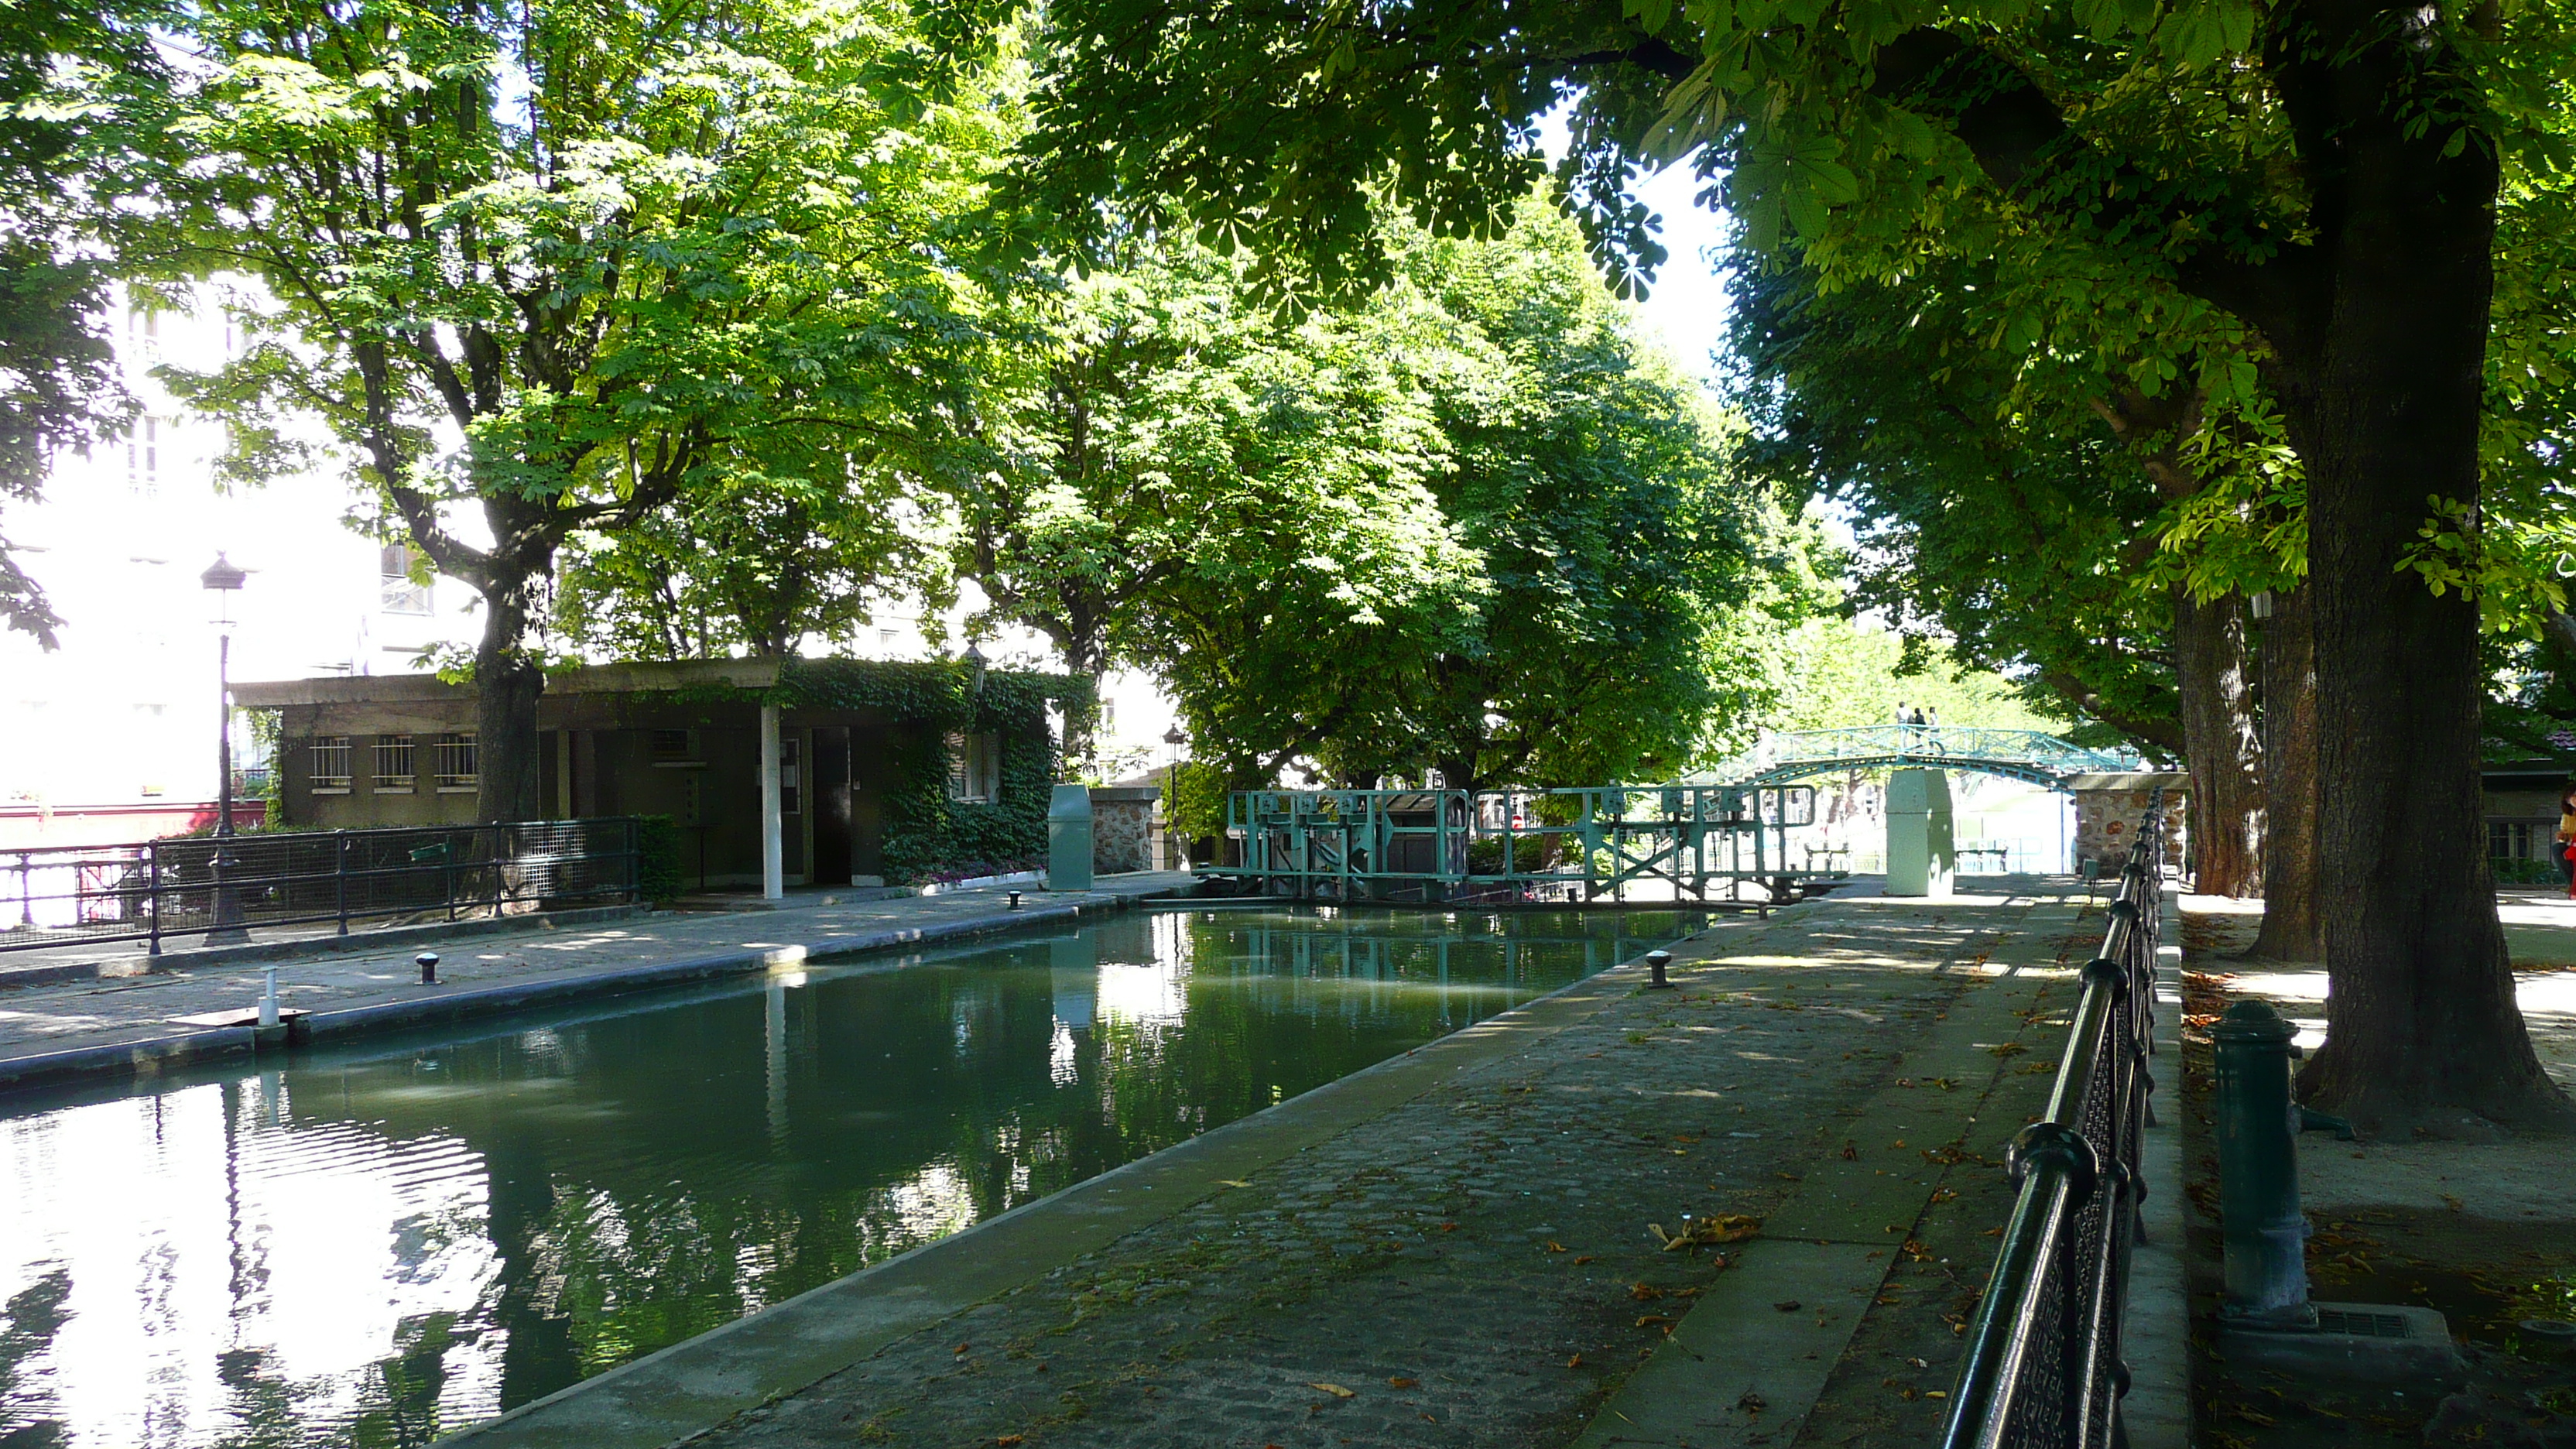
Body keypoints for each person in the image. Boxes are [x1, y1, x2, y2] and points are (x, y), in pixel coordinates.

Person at [2558, 783, 2576, 893]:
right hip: (2573, 845)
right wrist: (2563, 837)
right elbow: (2564, 835)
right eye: (2573, 797)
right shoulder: (2567, 816)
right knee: (2558, 849)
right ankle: (2572, 884)